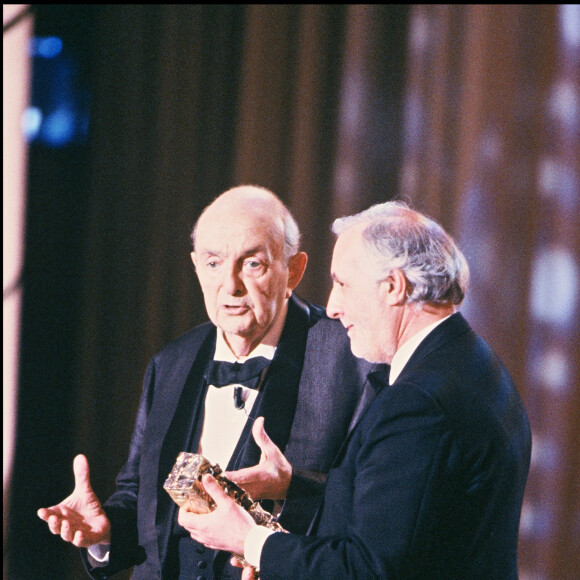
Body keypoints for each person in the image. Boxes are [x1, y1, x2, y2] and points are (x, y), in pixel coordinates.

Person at [37, 185, 382, 579]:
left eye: (253, 264)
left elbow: (374, 514)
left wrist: (292, 486)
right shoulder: (170, 362)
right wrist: (105, 533)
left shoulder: (353, 357)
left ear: (294, 271)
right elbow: (141, 498)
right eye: (214, 263)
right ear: (196, 266)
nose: (231, 285)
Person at [178, 200, 532, 579]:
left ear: (394, 287)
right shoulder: (469, 360)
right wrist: (292, 484)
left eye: (342, 284)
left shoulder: (419, 402)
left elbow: (367, 569)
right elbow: (409, 514)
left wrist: (250, 540)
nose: (331, 307)